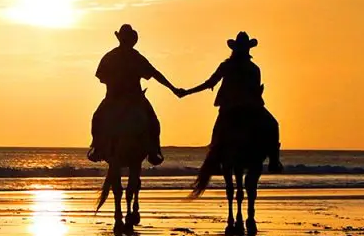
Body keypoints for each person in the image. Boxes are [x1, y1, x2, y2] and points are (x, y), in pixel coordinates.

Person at [177, 31, 282, 174]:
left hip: (231, 107)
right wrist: (188, 91)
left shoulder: (230, 66)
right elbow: (256, 91)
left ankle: (215, 161)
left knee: (218, 131)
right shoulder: (253, 68)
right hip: (250, 107)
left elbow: (210, 83)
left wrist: (188, 92)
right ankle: (274, 161)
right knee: (272, 124)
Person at [89, 24, 179, 166]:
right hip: (132, 99)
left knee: (98, 117)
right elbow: (155, 74)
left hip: (116, 99)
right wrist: (173, 89)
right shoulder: (134, 57)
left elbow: (100, 76)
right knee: (153, 121)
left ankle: (97, 148)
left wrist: (173, 88)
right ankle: (154, 151)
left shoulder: (112, 56)